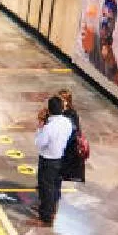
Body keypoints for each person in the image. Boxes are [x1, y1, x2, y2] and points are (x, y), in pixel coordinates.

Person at [30, 96, 74, 227]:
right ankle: (51, 210)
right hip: (60, 158)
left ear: (49, 109)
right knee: (54, 187)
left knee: (46, 188)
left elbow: (39, 143)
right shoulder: (67, 122)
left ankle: (45, 218)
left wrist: (40, 126)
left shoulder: (49, 127)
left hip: (48, 160)